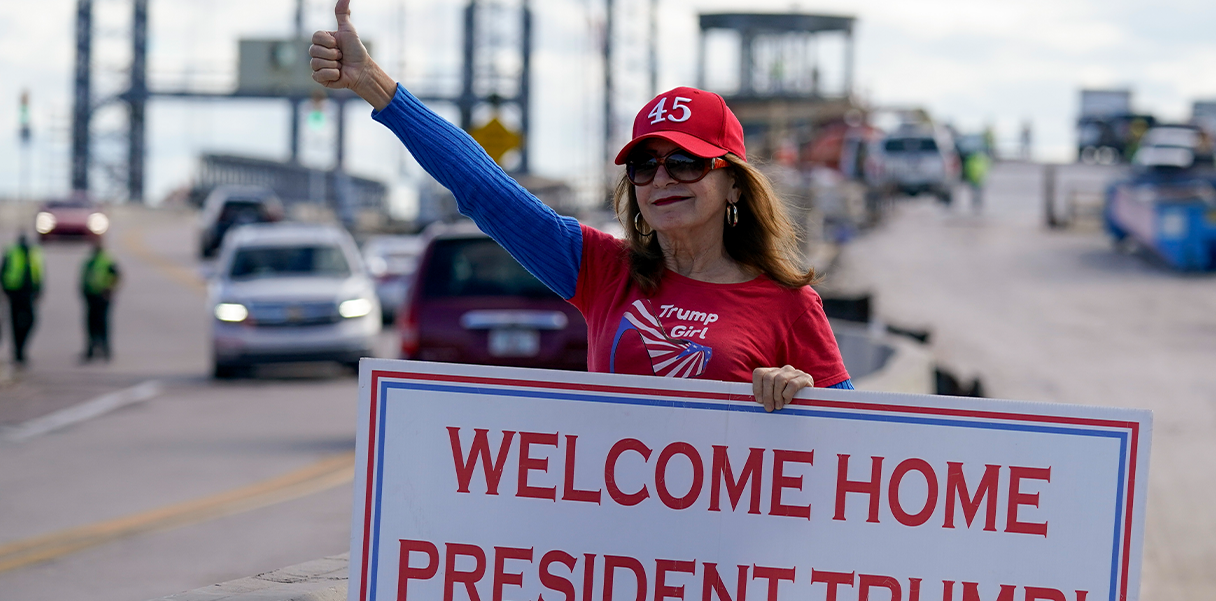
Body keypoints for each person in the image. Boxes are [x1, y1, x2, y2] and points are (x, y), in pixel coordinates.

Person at [309, 0, 851, 416]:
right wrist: (373, 84)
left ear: (734, 184)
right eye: (644, 165)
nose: (663, 179)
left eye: (686, 163)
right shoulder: (602, 270)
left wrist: (805, 398)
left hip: (729, 555)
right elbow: (484, 190)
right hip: (619, 551)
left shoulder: (790, 304)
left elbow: (859, 439)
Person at [2, 233, 44, 367]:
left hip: (29, 294)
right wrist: (5, 290)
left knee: (30, 320)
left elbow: (39, 272)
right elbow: (3, 272)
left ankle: (21, 347)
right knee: (15, 324)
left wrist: (39, 290)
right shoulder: (12, 252)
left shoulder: (35, 253)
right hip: (15, 293)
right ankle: (18, 352)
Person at [80, 238, 121, 361]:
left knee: (102, 324)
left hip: (102, 296)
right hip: (91, 296)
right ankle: (90, 350)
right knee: (90, 324)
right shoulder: (90, 260)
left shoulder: (107, 260)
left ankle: (106, 350)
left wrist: (109, 290)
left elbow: (117, 276)